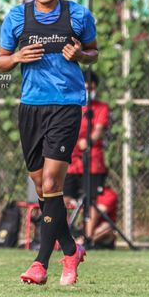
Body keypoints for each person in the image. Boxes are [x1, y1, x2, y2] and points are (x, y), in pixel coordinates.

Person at [0, 0, 98, 285]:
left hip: (66, 106)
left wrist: (81, 54)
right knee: (42, 188)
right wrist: (16, 57)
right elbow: (0, 62)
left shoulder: (78, 15)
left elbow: (94, 51)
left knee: (53, 184)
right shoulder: (16, 18)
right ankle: (71, 249)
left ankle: (41, 263)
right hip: (30, 108)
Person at [63, 72, 110, 241]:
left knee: (91, 200)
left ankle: (87, 237)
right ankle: (60, 234)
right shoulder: (70, 106)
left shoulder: (101, 108)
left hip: (92, 162)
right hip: (71, 162)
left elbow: (98, 130)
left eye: (91, 88)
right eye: (84, 88)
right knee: (63, 197)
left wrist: (88, 141)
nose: (88, 91)